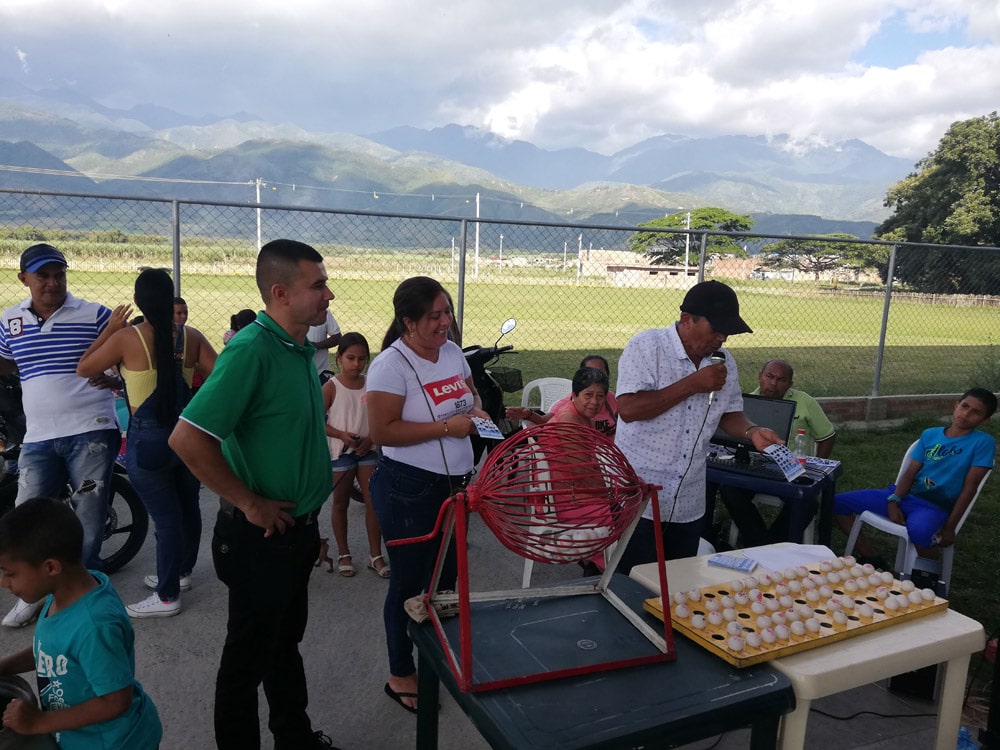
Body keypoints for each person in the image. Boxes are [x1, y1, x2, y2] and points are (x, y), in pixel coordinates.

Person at [167, 239, 339, 750]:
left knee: (283, 647)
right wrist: (249, 501)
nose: (329, 294)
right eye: (318, 285)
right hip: (259, 538)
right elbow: (187, 438)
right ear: (281, 292)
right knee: (244, 662)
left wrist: (312, 522)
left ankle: (295, 737)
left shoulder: (298, 348)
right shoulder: (252, 350)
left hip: (295, 534)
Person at [367, 276, 488, 714]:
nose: (444, 323)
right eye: (434, 316)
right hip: (408, 487)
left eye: (447, 313)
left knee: (447, 578)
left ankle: (439, 657)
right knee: (409, 583)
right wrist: (445, 427)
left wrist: (475, 410)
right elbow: (381, 432)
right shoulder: (390, 365)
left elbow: (469, 393)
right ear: (408, 322)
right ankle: (401, 672)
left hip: (456, 483)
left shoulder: (453, 352)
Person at [614, 280, 783, 571]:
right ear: (686, 320)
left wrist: (751, 431)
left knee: (679, 587)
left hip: (689, 500)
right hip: (640, 497)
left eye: (727, 332)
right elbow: (628, 409)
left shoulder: (724, 362)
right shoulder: (646, 347)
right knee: (632, 585)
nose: (722, 339)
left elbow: (729, 413)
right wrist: (692, 384)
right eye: (716, 330)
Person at [77, 270, 217, 618]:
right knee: (188, 507)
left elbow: (83, 368)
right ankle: (180, 573)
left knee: (166, 519)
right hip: (188, 436)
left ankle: (167, 596)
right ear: (171, 300)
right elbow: (222, 375)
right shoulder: (191, 337)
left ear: (139, 301)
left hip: (149, 439)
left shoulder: (128, 338)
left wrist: (110, 331)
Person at [0, 244, 123, 629]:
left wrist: (115, 378)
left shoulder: (95, 314)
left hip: (90, 429)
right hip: (39, 435)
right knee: (24, 516)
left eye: (59, 275)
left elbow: (127, 356)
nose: (53, 283)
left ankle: (78, 601)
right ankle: (31, 595)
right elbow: (7, 364)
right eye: (43, 276)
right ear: (24, 279)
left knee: (87, 516)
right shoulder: (9, 320)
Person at [0, 496, 162, 748]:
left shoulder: (94, 625)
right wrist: (4, 666)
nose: (3, 582)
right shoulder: (65, 594)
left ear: (51, 567)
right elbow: (51, 649)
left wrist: (38, 723)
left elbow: (115, 701)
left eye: (10, 574)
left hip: (113, 742)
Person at [834, 388, 996, 563]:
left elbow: (970, 488)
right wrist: (894, 500)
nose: (966, 413)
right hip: (906, 496)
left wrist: (950, 527)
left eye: (976, 412)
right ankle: (870, 557)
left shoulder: (983, 442)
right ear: (956, 405)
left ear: (984, 420)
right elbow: (910, 474)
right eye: (964, 406)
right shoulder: (930, 434)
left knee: (919, 531)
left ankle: (928, 576)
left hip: (935, 506)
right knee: (837, 502)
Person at [719, 359, 838, 547]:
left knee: (807, 502)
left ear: (790, 384)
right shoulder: (746, 402)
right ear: (760, 377)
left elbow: (827, 436)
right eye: (769, 376)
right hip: (755, 467)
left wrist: (816, 466)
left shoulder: (805, 401)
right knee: (729, 489)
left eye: (781, 380)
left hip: (793, 470)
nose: (773, 384)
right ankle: (764, 545)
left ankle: (768, 545)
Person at [322, 333, 387, 578]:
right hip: (342, 453)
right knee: (340, 502)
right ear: (338, 358)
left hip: (368, 451)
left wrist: (370, 438)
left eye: (361, 359)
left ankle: (375, 555)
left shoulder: (372, 384)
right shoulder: (331, 387)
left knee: (374, 502)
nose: (356, 364)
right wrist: (340, 434)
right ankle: (344, 553)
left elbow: (381, 417)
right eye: (350, 358)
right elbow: (317, 421)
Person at [507, 354, 619, 437]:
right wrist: (529, 415)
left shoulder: (614, 399)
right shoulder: (570, 411)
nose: (594, 401)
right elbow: (548, 422)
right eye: (588, 395)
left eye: (600, 396)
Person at [173, 296, 205, 393]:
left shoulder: (191, 335)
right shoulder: (192, 335)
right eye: (178, 313)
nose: (183, 316)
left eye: (185, 313)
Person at [307, 309, 342, 378]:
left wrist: (316, 346)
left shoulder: (322, 310)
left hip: (320, 373)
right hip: (294, 373)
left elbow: (337, 337)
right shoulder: (287, 312)